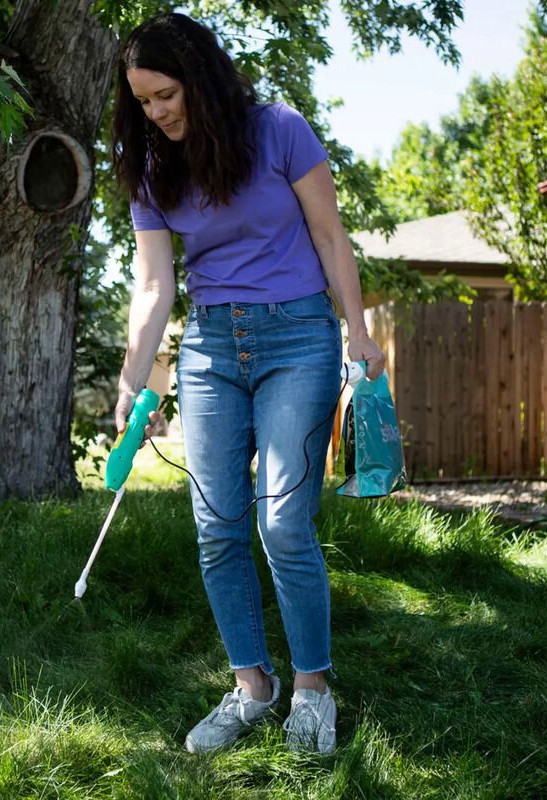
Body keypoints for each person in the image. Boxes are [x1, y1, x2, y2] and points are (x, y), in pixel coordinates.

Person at [111, 12, 385, 755]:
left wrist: (359, 333)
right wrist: (134, 376)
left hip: (297, 337)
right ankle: (252, 686)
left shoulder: (280, 130)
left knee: (283, 522)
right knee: (217, 527)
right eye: (142, 102)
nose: (156, 112)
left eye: (165, 94)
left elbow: (330, 236)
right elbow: (153, 282)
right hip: (208, 350)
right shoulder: (151, 169)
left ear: (198, 78)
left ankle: (312, 690)